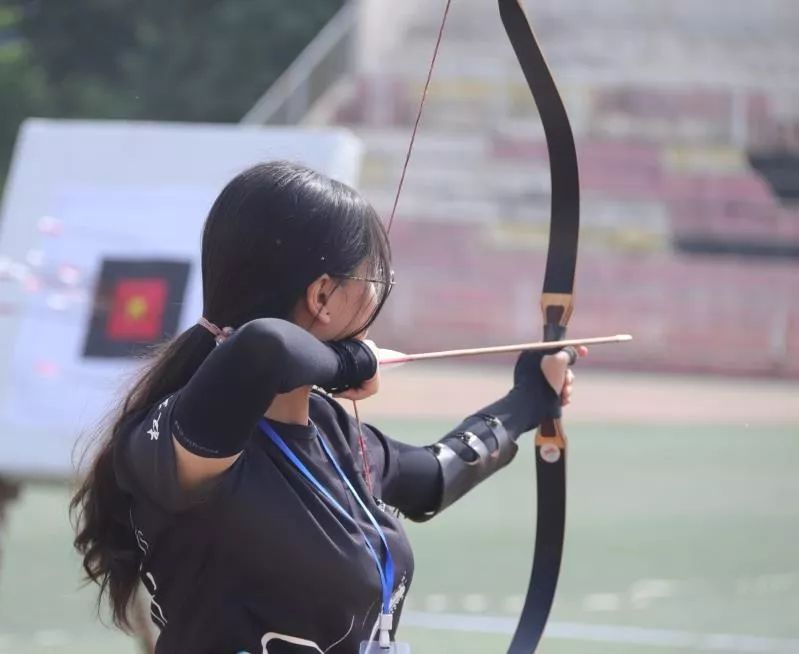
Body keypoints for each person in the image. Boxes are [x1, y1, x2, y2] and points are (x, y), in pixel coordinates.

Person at [71, 161, 583, 654]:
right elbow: (263, 347)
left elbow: (432, 476)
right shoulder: (178, 440)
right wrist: (354, 361)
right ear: (322, 296)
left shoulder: (331, 429)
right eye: (373, 282)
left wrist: (527, 400)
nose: (378, 300)